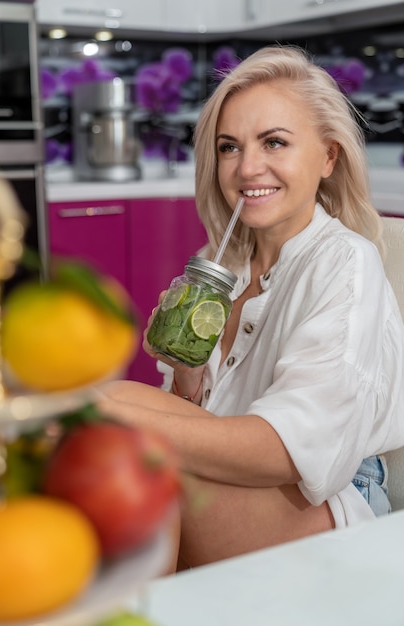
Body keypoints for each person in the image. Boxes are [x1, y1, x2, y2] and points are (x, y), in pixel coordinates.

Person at [97, 45, 404, 570]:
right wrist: (187, 376)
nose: (247, 167)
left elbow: (290, 452)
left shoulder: (345, 263)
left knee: (132, 446)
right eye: (229, 147)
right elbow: (199, 427)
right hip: (226, 479)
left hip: (322, 500)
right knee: (119, 433)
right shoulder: (217, 264)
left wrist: (118, 417)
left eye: (275, 142)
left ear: (328, 157)